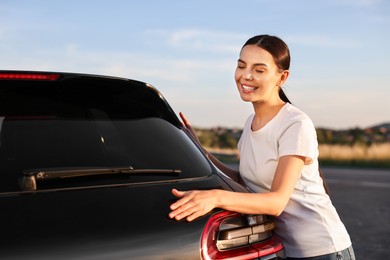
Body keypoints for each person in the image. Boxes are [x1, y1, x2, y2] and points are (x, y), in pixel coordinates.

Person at [168, 34, 355, 259]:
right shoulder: (250, 124)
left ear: (282, 77)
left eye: (259, 70)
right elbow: (244, 180)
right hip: (285, 249)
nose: (246, 76)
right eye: (241, 66)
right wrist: (199, 149)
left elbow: (276, 202)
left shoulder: (295, 123)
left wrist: (214, 197)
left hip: (323, 249)